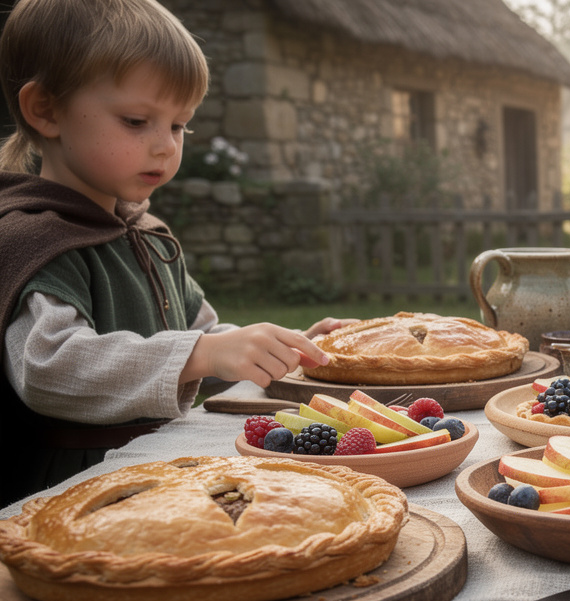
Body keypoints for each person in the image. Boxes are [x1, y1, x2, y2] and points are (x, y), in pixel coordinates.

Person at [0, 0, 338, 505]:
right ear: (45, 110)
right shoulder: (33, 239)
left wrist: (272, 349)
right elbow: (50, 367)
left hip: (164, 470)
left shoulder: (146, 232)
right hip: (79, 491)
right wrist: (202, 353)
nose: (165, 145)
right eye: (137, 121)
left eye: (179, 125)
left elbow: (199, 334)